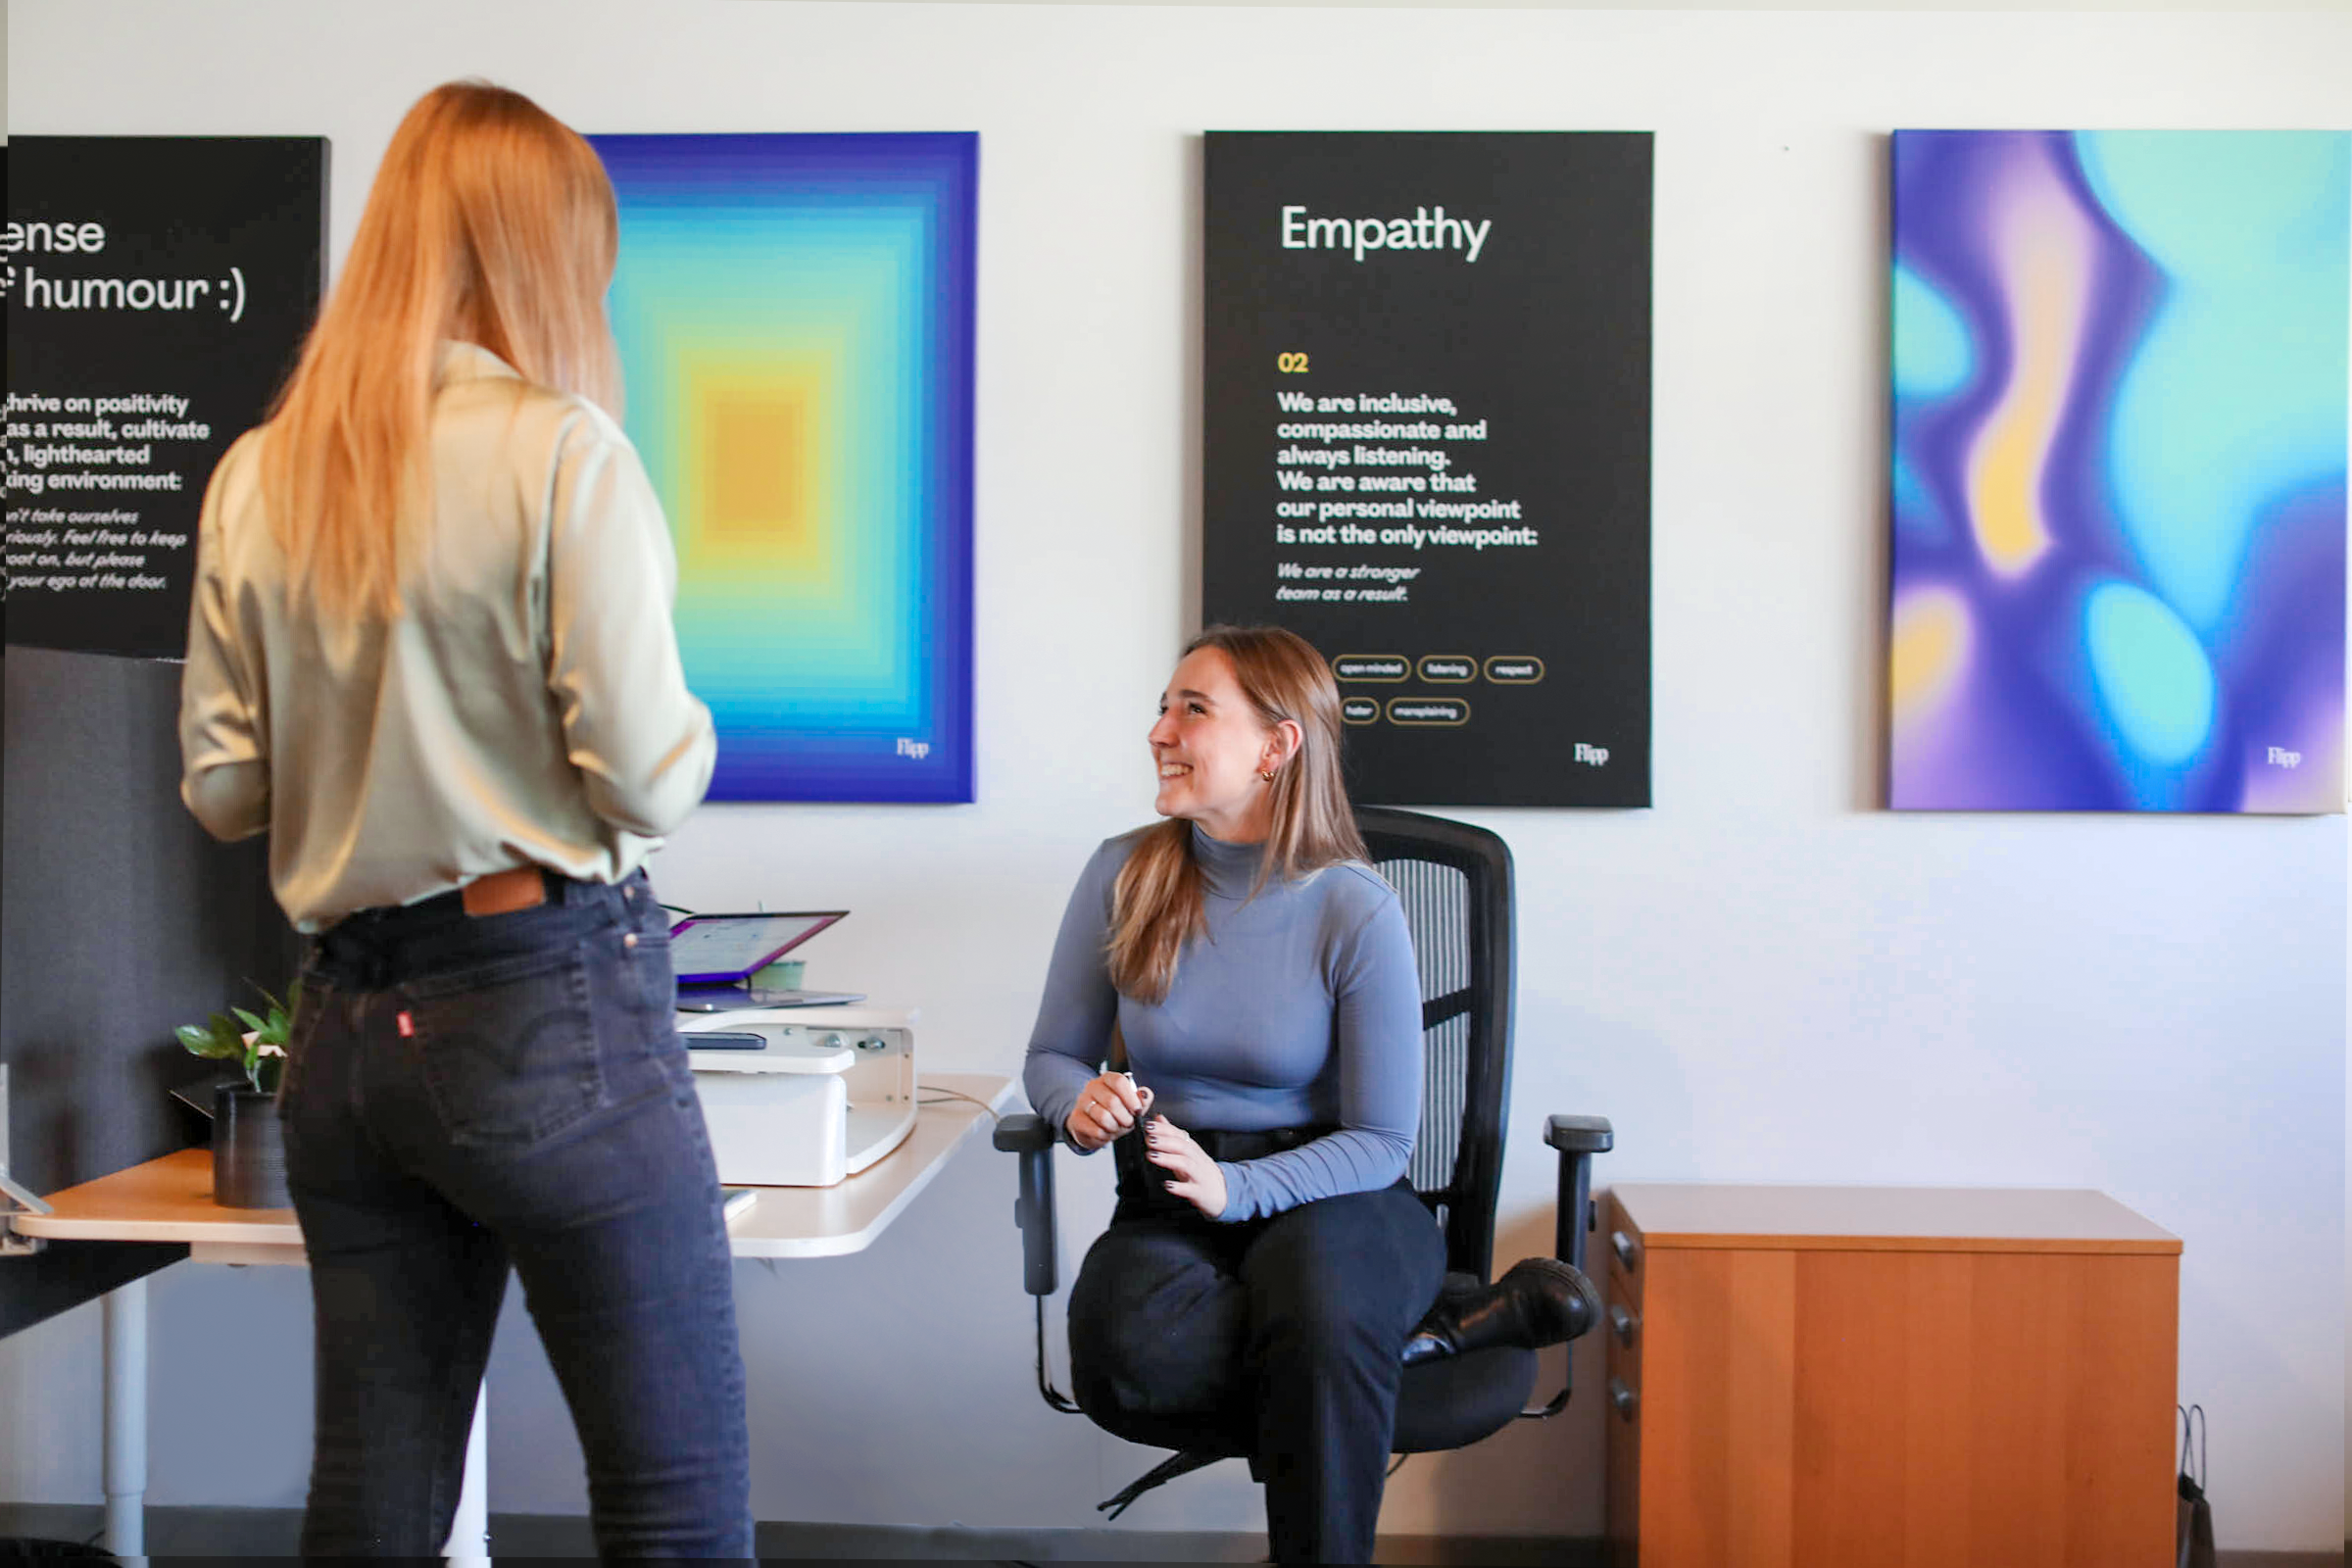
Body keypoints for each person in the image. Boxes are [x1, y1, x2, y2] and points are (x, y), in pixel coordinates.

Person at [177, 81, 749, 1557]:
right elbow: (645, 780)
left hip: (347, 1037)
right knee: (672, 1498)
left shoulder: (261, 474)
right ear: (539, 257)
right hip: (546, 1009)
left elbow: (227, 791)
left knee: (376, 1499)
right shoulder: (564, 454)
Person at [1022, 624, 1442, 1565]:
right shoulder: (1123, 872)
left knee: (1323, 1302)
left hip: (1336, 1190)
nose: (1159, 730)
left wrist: (1239, 1191)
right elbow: (1053, 1053)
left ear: (1277, 746)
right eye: (1163, 706)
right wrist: (1075, 1104)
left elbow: (1382, 1140)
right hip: (1169, 1196)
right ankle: (1404, 1346)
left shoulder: (1353, 906)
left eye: (1193, 709)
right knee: (1124, 1354)